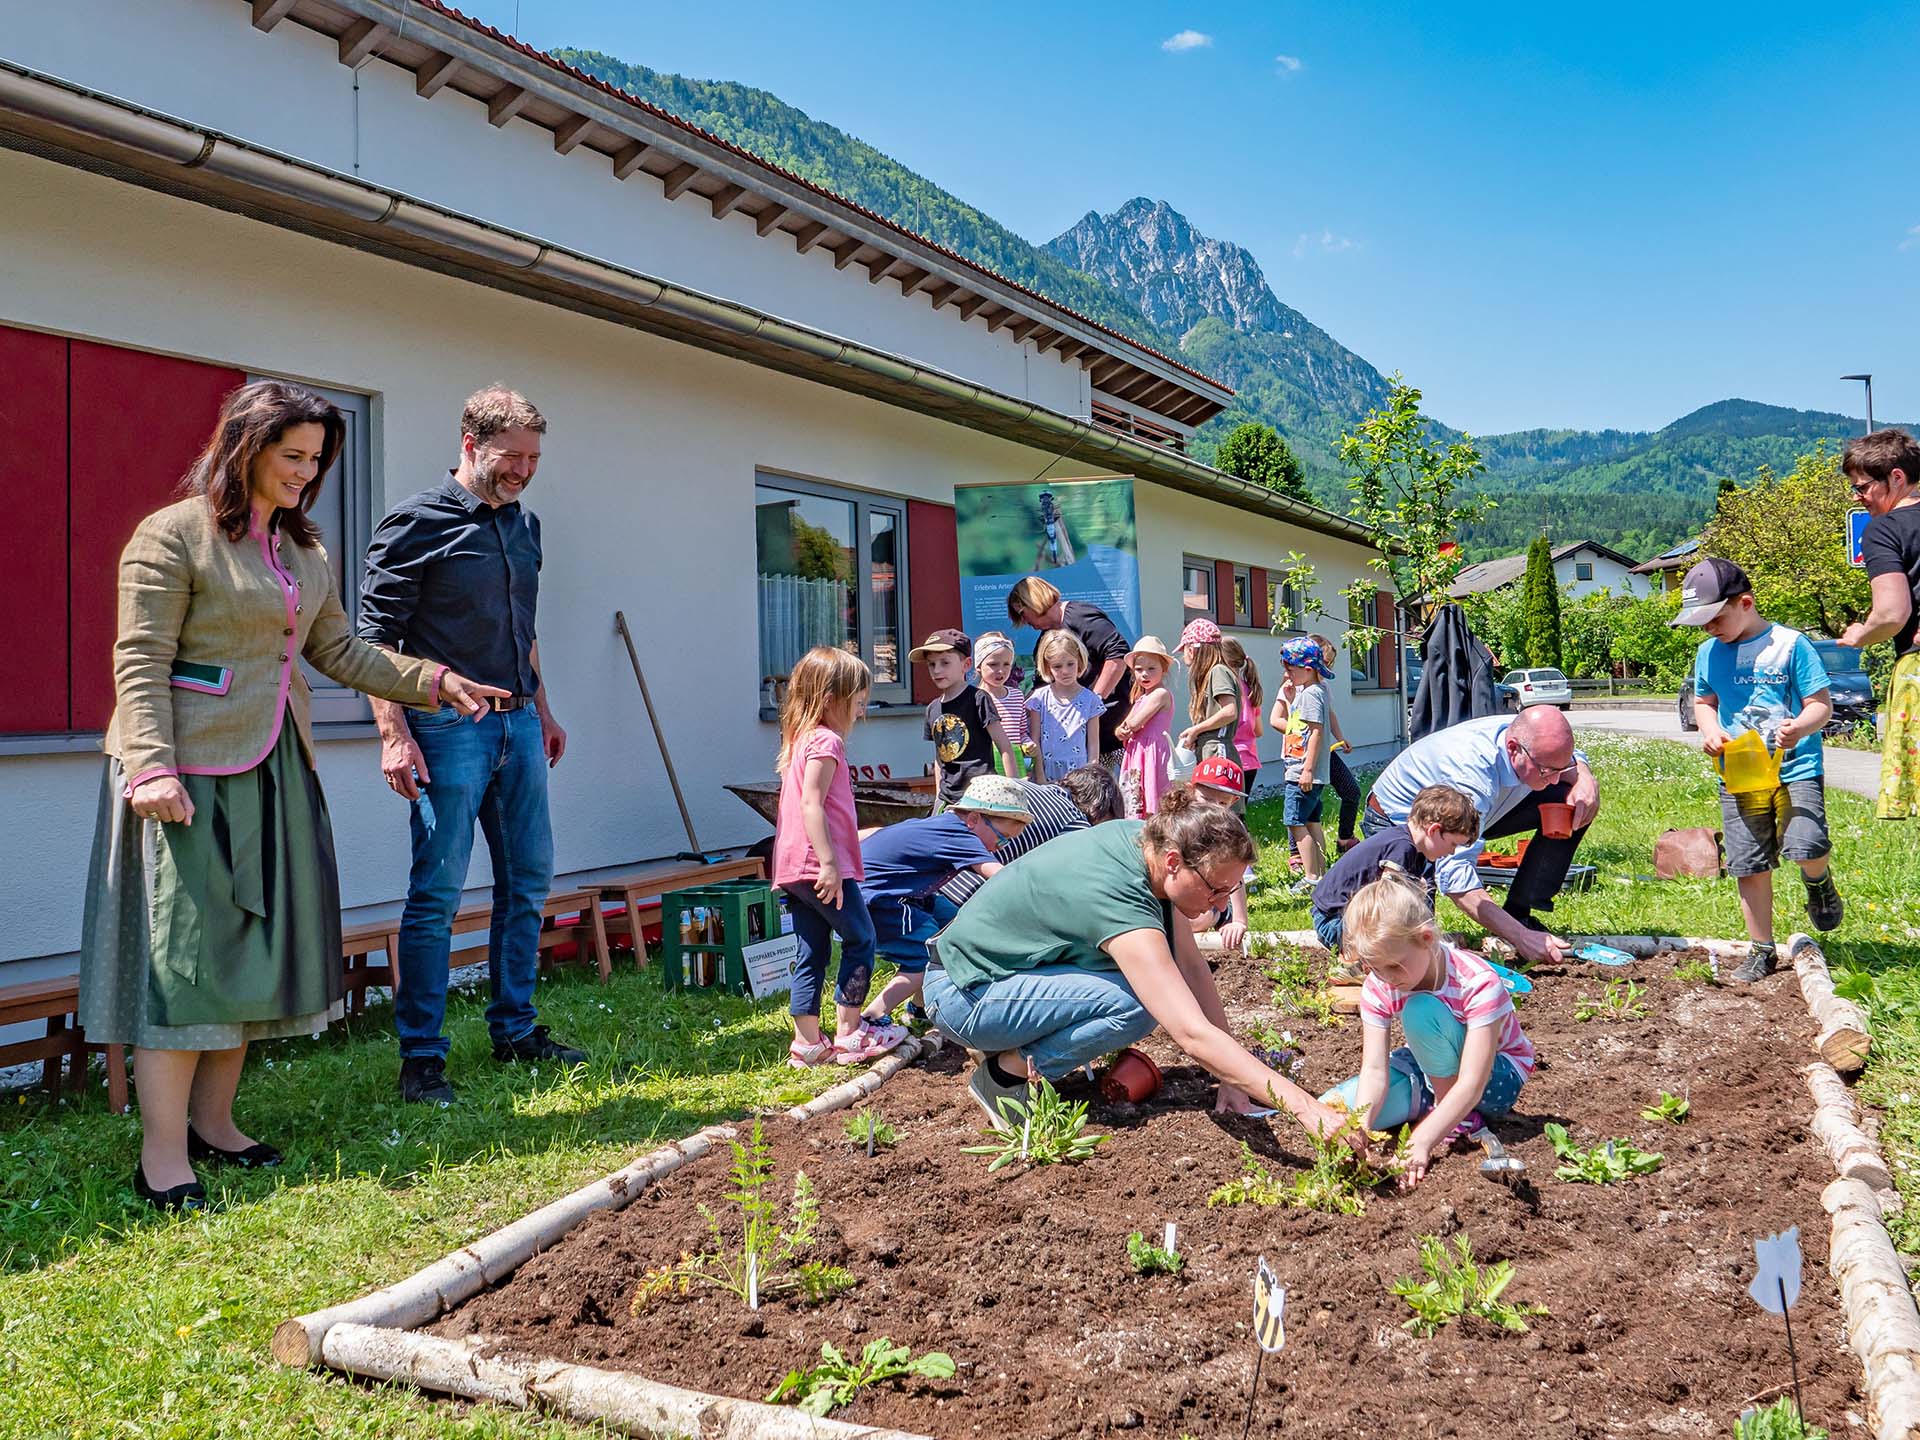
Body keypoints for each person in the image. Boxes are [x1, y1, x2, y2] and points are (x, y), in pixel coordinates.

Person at [82, 381, 503, 1210]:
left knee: (254, 951)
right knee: (185, 963)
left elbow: (341, 651)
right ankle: (163, 1153)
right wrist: (154, 766)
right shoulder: (171, 538)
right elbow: (139, 661)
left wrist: (433, 679)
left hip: (276, 766)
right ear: (246, 447)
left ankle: (217, 1124)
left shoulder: (301, 551)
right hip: (187, 775)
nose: (306, 475)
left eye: (316, 461)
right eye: (292, 457)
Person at [359, 385, 583, 1105]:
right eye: (511, 456)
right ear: (469, 444)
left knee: (528, 885)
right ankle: (421, 1058)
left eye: (533, 458)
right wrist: (393, 736)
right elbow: (375, 642)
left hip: (518, 725)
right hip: (447, 731)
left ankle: (516, 1029)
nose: (523, 469)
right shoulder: (415, 522)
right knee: (438, 896)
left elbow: (525, 629)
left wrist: (542, 710)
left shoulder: (525, 526)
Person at [922, 787, 1351, 1145]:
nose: (1221, 905)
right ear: (1173, 864)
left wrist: (1234, 1079)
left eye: (1232, 891)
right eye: (1217, 889)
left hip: (994, 975)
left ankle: (1013, 1048)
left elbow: (1192, 967)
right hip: (963, 993)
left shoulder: (1148, 843)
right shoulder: (1122, 900)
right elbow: (1189, 1032)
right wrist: (1307, 1110)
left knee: (1147, 987)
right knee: (1136, 1004)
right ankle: (1002, 1076)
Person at [1674, 557, 1844, 982]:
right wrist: (1709, 730)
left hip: (1795, 768)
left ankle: (1818, 883)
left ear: (1745, 602)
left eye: (1714, 618)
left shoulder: (1790, 645)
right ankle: (1762, 949)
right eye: (1701, 623)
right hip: (1740, 774)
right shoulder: (1708, 654)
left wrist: (1800, 727)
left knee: (1805, 844)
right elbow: (1705, 702)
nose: (1708, 629)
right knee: (1748, 863)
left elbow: (1821, 706)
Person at [1320, 874, 1535, 1188]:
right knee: (1338, 1107)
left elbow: (1473, 1083)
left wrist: (1420, 1141)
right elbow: (1374, 1069)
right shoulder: (1381, 984)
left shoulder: (1475, 982)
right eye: (1373, 966)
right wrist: (1361, 1127)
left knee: (1422, 1011)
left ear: (1427, 939)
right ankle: (1439, 1109)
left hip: (1496, 1077)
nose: (1385, 977)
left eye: (1394, 965)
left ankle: (1452, 1119)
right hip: (1430, 1062)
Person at [1363, 706, 1600, 964]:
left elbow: (1569, 757)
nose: (1555, 780)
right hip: (1401, 822)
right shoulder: (1471, 778)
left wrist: (1584, 778)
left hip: (1483, 809)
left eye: (1560, 769)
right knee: (1412, 938)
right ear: (1513, 749)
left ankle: (1519, 912)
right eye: (1546, 771)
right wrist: (1521, 937)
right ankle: (1518, 930)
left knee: (1572, 802)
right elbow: (1455, 878)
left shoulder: (1534, 739)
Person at [770, 646, 906, 1068]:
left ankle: (807, 1043)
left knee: (812, 949)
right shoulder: (826, 741)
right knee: (861, 938)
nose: (862, 707)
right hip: (820, 867)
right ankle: (850, 1033)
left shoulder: (800, 738)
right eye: (858, 699)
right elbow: (812, 805)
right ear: (831, 700)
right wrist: (830, 863)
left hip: (792, 866)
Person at [856, 776, 1032, 1025]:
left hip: (893, 892)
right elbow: (1002, 878)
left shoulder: (945, 826)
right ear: (973, 819)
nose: (1001, 847)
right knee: (925, 956)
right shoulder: (962, 835)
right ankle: (870, 1019)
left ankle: (920, 1007)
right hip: (877, 899)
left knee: (952, 923)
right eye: (1002, 838)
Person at [1837, 429, 1920, 821]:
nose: (1858, 497)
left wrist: (1860, 635)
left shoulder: (1885, 529)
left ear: (1897, 478)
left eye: (1863, 487)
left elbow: (1891, 614)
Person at [1311, 784, 1482, 955]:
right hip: (1335, 922)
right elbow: (1389, 904)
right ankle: (1358, 968)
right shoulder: (1402, 847)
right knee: (1401, 947)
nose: (1451, 852)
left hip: (1349, 918)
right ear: (1434, 830)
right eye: (1453, 844)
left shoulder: (1419, 851)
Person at [939, 765, 1125, 908]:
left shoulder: (1026, 788)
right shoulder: (1075, 822)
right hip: (965, 893)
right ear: (1099, 808)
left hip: (931, 874)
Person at [1006, 575, 1133, 765]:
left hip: (1113, 735)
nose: (1024, 621)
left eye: (1023, 614)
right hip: (1078, 746)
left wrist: (1092, 701)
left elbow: (1118, 653)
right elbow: (1042, 686)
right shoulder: (1046, 639)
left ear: (1034, 603)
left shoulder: (1080, 617)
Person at [910, 629, 1019, 807]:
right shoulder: (932, 709)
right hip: (948, 799)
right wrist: (938, 795)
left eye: (945, 662)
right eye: (931, 664)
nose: (937, 670)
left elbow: (1004, 746)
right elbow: (940, 757)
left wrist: (1014, 789)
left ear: (966, 664)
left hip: (982, 795)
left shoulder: (979, 699)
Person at [1278, 637, 1333, 891]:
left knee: (1295, 821)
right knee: (1312, 822)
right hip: (1305, 771)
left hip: (1302, 771)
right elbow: (1301, 727)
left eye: (1290, 668)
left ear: (1308, 669)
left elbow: (1317, 732)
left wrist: (1308, 769)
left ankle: (1311, 876)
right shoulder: (1313, 692)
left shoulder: (1311, 695)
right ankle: (1321, 872)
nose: (1287, 673)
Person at [1188, 756, 1252, 951]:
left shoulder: (1229, 828)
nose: (1213, 808)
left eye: (1222, 803)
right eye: (1206, 799)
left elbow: (1236, 876)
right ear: (1192, 790)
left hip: (1212, 897)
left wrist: (1240, 920)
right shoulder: (1181, 822)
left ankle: (1221, 916)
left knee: (1196, 922)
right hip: (1181, 892)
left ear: (1234, 801)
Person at [1026, 630, 1105, 782]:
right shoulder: (1039, 698)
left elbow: (1094, 745)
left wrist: (1091, 776)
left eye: (1070, 664)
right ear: (1048, 667)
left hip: (1080, 775)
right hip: (1047, 774)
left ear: (1079, 661)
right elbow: (1035, 739)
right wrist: (1040, 776)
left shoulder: (1091, 700)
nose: (1065, 671)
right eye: (1057, 666)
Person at [1310, 633, 1363, 851]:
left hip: (1325, 750)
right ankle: (1296, 853)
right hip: (1306, 754)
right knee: (1306, 803)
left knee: (1351, 791)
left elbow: (1329, 714)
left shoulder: (1323, 687)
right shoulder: (1293, 687)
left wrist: (1340, 738)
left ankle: (1345, 838)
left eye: (1331, 662)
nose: (1329, 666)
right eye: (1326, 660)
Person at [1114, 635, 1176, 818]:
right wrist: (1120, 731)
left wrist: (1126, 728)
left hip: (1152, 752)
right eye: (1139, 670)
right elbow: (1123, 728)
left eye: (1151, 668)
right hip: (1138, 751)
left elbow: (1134, 722)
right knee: (1136, 798)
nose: (1145, 674)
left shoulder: (1160, 694)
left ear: (1163, 669)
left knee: (1153, 797)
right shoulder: (1142, 697)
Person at [1175, 619, 1241, 780]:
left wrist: (1196, 730)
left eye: (1184, 650)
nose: (1184, 657)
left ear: (1191, 650)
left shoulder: (1218, 671)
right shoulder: (1212, 673)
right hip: (1208, 750)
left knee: (1220, 804)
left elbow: (1229, 711)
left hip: (1218, 750)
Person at [970, 632, 1029, 778]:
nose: (1000, 671)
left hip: (1015, 761)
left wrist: (1028, 744)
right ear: (978, 665)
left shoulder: (1016, 696)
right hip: (986, 763)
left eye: (1006, 664)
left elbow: (1021, 732)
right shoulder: (972, 698)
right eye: (993, 664)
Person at [1221, 639, 1266, 797]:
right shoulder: (1250, 687)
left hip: (1230, 757)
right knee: (1239, 813)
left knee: (1226, 814)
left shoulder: (1225, 689)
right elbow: (1258, 731)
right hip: (1250, 761)